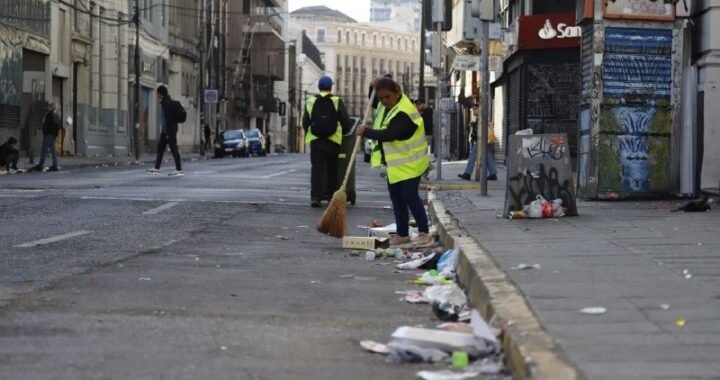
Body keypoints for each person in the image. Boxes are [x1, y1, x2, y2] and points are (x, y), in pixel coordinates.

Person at [358, 77, 433, 248]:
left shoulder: (403, 112)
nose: (384, 101)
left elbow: (391, 134)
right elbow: (375, 104)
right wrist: (372, 89)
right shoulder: (389, 106)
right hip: (397, 165)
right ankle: (402, 234)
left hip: (412, 162)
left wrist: (366, 131)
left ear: (397, 93)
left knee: (409, 195)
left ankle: (424, 232)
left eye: (387, 97)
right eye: (381, 97)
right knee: (397, 198)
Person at [302, 75, 352, 208]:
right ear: (331, 87)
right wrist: (343, 132)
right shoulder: (337, 101)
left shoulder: (311, 101)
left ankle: (315, 197)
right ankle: (331, 197)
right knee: (332, 170)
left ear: (319, 87)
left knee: (316, 169)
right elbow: (346, 122)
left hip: (316, 141)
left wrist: (312, 132)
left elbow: (305, 122)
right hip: (333, 141)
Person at [147, 85, 184, 176]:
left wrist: (167, 131)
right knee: (161, 148)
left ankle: (179, 170)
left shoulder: (165, 104)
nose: (157, 95)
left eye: (157, 94)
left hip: (169, 130)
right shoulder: (167, 102)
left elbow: (167, 119)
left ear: (160, 94)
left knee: (173, 149)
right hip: (168, 130)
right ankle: (156, 169)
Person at [458, 107, 497, 181]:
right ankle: (493, 174)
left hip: (482, 140)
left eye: (475, 109)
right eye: (473, 109)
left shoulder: (482, 118)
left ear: (480, 109)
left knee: (472, 155)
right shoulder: (478, 119)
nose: (473, 110)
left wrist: (474, 133)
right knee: (487, 157)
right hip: (483, 140)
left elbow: (482, 131)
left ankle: (468, 173)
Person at [34, 102, 61, 172]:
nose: (48, 107)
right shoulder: (51, 115)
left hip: (49, 135)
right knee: (52, 151)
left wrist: (49, 131)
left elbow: (56, 125)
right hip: (50, 135)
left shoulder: (52, 115)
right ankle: (54, 165)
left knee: (44, 150)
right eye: (48, 106)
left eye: (49, 106)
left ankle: (41, 165)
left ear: (52, 108)